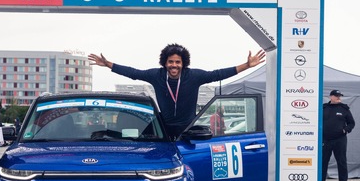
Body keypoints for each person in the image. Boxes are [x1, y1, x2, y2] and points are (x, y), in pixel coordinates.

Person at [88, 43, 265, 139]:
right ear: (165, 63)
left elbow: (218, 74)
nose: (174, 65)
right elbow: (134, 73)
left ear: (183, 63)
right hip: (163, 129)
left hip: (187, 129)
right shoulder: (156, 75)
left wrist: (247, 65)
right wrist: (109, 64)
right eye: (170, 62)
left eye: (178, 62)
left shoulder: (193, 76)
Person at [322, 90, 355, 181]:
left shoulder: (344, 109)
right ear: (330, 97)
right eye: (336, 96)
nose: (338, 97)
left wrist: (346, 130)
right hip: (325, 139)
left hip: (339, 139)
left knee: (341, 161)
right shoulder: (323, 108)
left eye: (339, 96)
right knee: (323, 161)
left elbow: (351, 123)